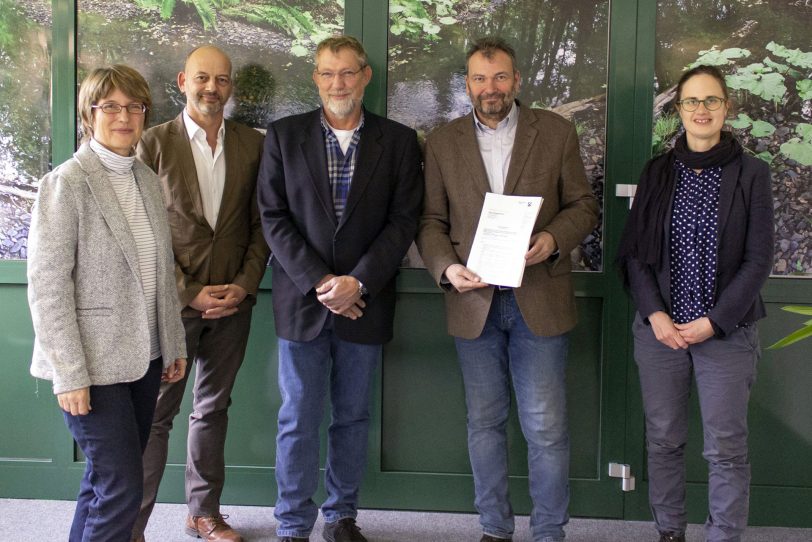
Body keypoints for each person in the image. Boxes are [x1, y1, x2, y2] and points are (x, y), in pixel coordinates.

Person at [416, 36, 599, 542]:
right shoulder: (442, 141)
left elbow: (584, 206)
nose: (490, 88)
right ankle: (495, 529)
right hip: (473, 302)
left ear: (517, 81)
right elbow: (430, 221)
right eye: (479, 78)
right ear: (468, 84)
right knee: (484, 424)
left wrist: (552, 239)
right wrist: (446, 268)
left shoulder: (557, 132)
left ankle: (548, 533)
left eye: (500, 77)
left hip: (538, 297)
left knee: (545, 428)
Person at [257, 35, 423, 542]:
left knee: (352, 417)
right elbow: (272, 217)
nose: (337, 83)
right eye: (327, 73)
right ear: (315, 77)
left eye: (347, 73)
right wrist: (322, 282)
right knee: (298, 419)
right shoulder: (283, 137)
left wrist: (359, 282)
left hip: (364, 303)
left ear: (365, 75)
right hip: (303, 303)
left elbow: (403, 220)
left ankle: (341, 516)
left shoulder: (397, 142)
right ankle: (291, 524)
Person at [27, 65, 188, 542]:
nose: (124, 117)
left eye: (134, 107)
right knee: (121, 487)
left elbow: (159, 270)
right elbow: (48, 287)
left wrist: (172, 342)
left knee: (105, 482)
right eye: (110, 107)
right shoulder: (66, 183)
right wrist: (69, 372)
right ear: (89, 114)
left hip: (144, 358)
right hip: (92, 366)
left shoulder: (144, 178)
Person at [617, 65, 774, 542]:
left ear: (727, 107)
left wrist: (714, 322)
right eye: (691, 101)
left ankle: (723, 535)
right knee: (663, 440)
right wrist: (657, 315)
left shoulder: (753, 173)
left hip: (724, 334)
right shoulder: (657, 171)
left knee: (725, 449)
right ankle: (670, 531)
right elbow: (635, 255)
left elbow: (759, 259)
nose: (701, 110)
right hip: (660, 333)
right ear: (679, 109)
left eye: (711, 101)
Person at [131, 46, 269, 542]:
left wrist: (245, 285)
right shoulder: (152, 144)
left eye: (222, 80)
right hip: (172, 306)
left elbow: (262, 226)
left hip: (234, 305)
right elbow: (140, 231)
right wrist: (188, 292)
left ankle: (202, 513)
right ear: (183, 81)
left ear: (231, 87)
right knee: (155, 415)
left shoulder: (255, 145)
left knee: (213, 408)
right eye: (203, 78)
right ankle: (133, 523)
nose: (213, 88)